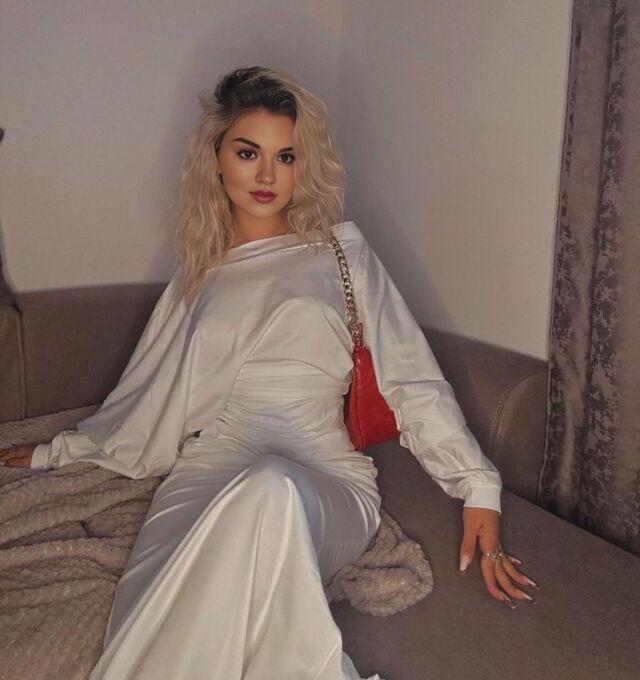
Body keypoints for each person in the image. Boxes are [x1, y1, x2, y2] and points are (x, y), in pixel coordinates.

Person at [0, 66, 537, 679]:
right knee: (175, 591)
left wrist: (477, 486)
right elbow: (145, 396)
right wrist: (57, 452)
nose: (265, 175)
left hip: (322, 479)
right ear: (215, 158)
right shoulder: (198, 277)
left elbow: (412, 382)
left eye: (286, 157)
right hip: (206, 474)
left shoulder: (343, 254)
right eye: (247, 152)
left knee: (270, 486)